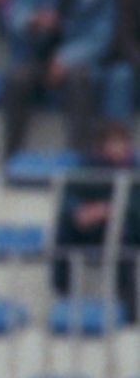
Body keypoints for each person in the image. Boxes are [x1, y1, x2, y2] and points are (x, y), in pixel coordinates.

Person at [0, 0, 113, 157]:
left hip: (76, 62)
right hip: (38, 56)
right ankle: (11, 154)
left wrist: (65, 58)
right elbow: (17, 10)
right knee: (16, 78)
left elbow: (101, 36)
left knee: (79, 80)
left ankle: (78, 154)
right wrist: (32, 21)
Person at [51, 121, 140, 317]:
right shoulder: (85, 169)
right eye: (113, 143)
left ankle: (127, 306)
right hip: (91, 228)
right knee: (65, 227)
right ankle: (63, 293)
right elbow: (67, 199)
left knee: (122, 235)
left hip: (128, 229)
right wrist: (79, 212)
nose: (120, 148)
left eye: (122, 143)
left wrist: (109, 210)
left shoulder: (135, 171)